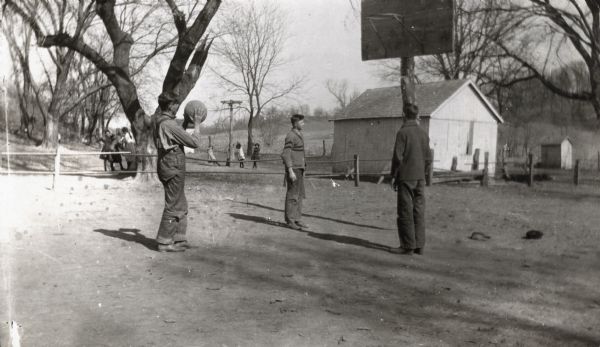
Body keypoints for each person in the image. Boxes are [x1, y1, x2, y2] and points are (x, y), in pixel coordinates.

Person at [153, 92, 205, 252]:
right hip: (172, 167)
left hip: (169, 166)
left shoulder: (161, 120)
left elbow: (176, 133)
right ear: (170, 106)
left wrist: (187, 121)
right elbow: (194, 142)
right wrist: (196, 124)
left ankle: (179, 239)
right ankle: (164, 242)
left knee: (181, 203)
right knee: (173, 204)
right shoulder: (168, 124)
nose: (178, 107)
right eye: (176, 104)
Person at [390, 104, 432, 255]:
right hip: (420, 178)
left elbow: (397, 158)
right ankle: (419, 246)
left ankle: (407, 246)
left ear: (404, 115)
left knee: (405, 211)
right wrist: (423, 173)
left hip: (406, 178)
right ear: (417, 115)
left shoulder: (402, 133)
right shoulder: (423, 133)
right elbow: (428, 158)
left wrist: (394, 176)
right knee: (419, 211)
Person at [281, 114, 308, 230]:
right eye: (301, 122)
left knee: (300, 195)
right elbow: (285, 154)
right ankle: (290, 220)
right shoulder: (290, 135)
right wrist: (290, 171)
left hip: (300, 168)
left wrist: (303, 167)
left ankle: (297, 218)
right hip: (294, 169)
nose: (303, 124)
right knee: (292, 194)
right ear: (295, 123)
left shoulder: (299, 134)